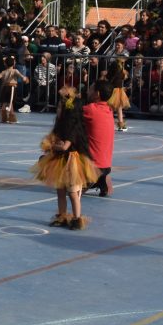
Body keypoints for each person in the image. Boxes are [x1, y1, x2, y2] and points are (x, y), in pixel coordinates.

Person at [30, 87, 99, 229]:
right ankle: (61, 215)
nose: (58, 109)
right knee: (60, 190)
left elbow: (65, 146)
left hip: (72, 162)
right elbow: (56, 141)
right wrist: (52, 144)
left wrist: (52, 146)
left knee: (73, 192)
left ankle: (76, 218)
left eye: (60, 106)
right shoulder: (59, 125)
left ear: (68, 110)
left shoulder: (72, 127)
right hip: (61, 161)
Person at [83, 80, 116, 197]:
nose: (87, 91)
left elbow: (70, 114)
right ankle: (102, 180)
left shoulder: (91, 109)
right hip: (106, 165)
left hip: (92, 166)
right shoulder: (109, 109)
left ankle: (91, 180)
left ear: (97, 94)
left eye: (90, 89)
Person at [0, 54, 29, 124]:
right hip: (12, 88)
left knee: (5, 103)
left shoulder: (4, 72)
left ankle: (5, 117)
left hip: (5, 88)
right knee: (10, 104)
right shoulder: (15, 71)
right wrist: (24, 78)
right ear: (13, 63)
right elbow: (21, 76)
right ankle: (11, 118)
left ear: (5, 64)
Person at [105, 58, 131, 132]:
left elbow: (110, 76)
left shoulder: (120, 66)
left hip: (116, 89)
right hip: (115, 89)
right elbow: (118, 76)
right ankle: (119, 124)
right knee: (115, 107)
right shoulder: (117, 66)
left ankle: (119, 124)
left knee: (115, 107)